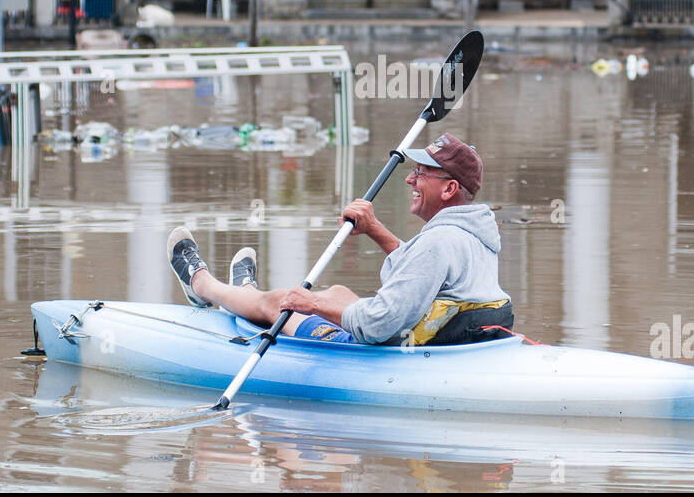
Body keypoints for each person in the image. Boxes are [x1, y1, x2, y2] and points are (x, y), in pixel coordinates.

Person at [167, 132, 512, 346]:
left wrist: (311, 305)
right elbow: (419, 275)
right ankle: (243, 292)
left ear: (450, 188)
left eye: (420, 174)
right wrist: (376, 230)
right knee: (338, 293)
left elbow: (378, 325)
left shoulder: (439, 241)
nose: (410, 181)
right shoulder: (475, 233)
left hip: (387, 348)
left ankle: (202, 285)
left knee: (282, 302)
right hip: (436, 336)